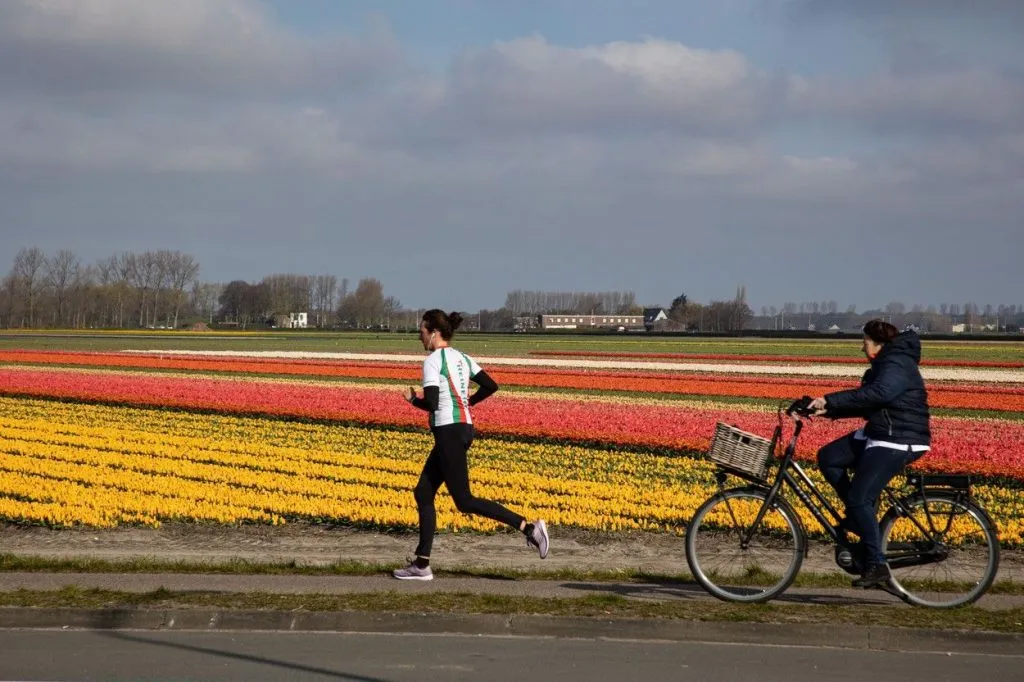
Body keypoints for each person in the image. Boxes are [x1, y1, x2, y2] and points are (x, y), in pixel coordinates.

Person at [392, 309, 549, 581]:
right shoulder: (462, 358)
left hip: (448, 432)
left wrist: (412, 401)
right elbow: (490, 385)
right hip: (462, 429)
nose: (419, 335)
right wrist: (468, 403)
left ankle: (529, 528)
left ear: (434, 333)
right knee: (423, 491)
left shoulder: (433, 361)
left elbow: (432, 402)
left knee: (464, 500)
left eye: (422, 331)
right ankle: (421, 564)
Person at [808, 319, 931, 589]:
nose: (862, 348)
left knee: (859, 496)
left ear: (877, 343)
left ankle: (876, 565)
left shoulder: (895, 361)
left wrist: (831, 399)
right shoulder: (886, 362)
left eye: (864, 342)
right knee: (829, 458)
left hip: (899, 437)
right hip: (881, 431)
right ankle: (859, 519)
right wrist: (827, 410)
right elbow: (870, 401)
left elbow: (879, 393)